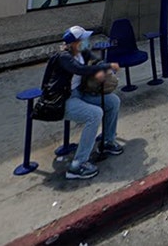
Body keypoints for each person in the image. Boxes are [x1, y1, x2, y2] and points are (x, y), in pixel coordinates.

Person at [46, 25, 124, 179]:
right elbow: (79, 69)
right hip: (63, 100)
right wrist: (106, 66)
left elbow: (95, 62)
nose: (86, 41)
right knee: (94, 114)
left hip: (81, 94)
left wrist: (103, 70)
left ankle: (108, 141)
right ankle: (77, 165)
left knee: (113, 101)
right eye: (83, 39)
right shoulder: (63, 57)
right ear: (74, 43)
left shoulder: (83, 52)